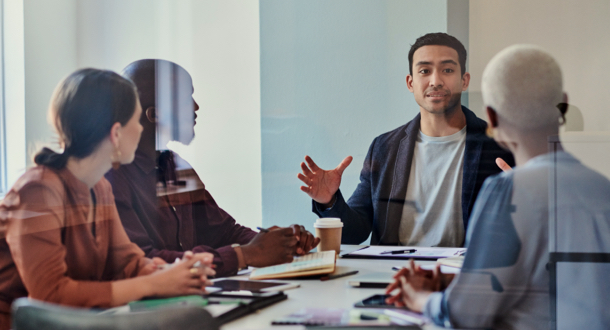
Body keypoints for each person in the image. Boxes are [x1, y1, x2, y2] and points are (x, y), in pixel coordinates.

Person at [386, 45, 610, 329]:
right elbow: (556, 286)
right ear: (563, 105)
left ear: (491, 118)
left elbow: (466, 315)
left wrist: (419, 297)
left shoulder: (507, 191)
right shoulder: (602, 188)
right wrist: (462, 281)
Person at [0, 69, 216, 329]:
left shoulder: (99, 187)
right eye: (137, 120)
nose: (141, 129)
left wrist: (178, 273)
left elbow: (128, 264)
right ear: (116, 134)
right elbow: (51, 296)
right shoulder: (37, 192)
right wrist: (153, 283)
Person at [105, 59, 319, 278]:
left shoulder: (174, 165)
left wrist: (278, 241)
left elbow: (224, 231)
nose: (196, 106)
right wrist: (246, 254)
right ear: (155, 115)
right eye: (185, 98)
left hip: (192, 295)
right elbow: (145, 262)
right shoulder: (110, 177)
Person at [298, 33, 513, 247]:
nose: (436, 81)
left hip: (465, 275)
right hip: (394, 275)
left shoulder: (501, 145)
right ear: (410, 82)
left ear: (464, 80)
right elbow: (355, 232)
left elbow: (522, 234)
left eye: (447, 70)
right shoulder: (384, 148)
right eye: (424, 71)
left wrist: (530, 198)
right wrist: (329, 201)